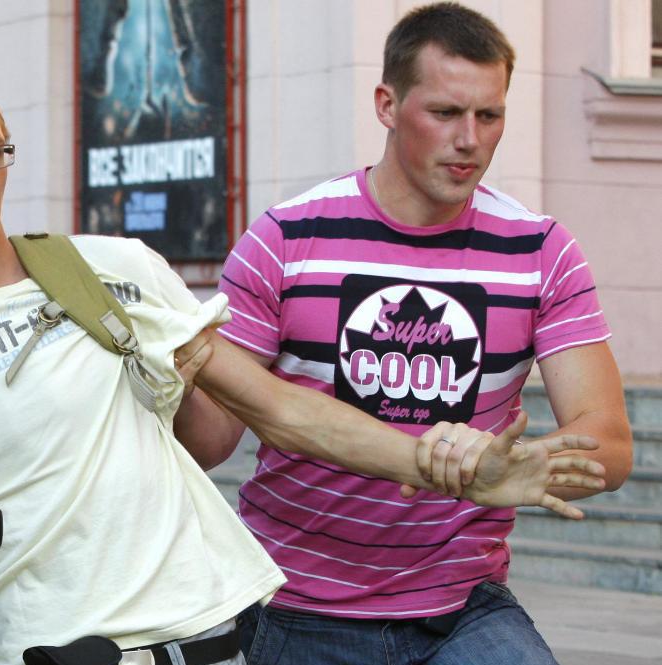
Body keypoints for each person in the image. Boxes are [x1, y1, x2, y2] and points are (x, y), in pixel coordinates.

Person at [0, 41, 606, 665]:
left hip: (207, 635)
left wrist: (448, 466)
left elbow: (281, 410)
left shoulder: (108, 267)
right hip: (43, 648)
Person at [201, 4, 634, 664]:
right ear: (386, 103)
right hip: (298, 601)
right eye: (445, 113)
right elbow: (209, 441)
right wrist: (169, 356)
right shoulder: (287, 239)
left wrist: (521, 464)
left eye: (489, 116)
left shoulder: (539, 250)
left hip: (461, 605)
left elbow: (609, 441)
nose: (470, 140)